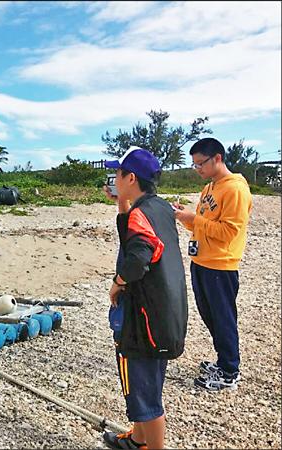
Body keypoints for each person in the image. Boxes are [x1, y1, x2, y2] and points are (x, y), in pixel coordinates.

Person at [101, 147, 188, 450]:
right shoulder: (159, 207)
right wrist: (122, 201)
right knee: (143, 383)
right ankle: (138, 439)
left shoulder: (142, 213)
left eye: (118, 173)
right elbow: (134, 236)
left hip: (145, 320)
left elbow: (137, 258)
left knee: (145, 393)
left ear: (131, 177)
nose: (114, 178)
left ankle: (153, 445)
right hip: (163, 312)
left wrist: (117, 282)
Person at [173, 137, 252, 391]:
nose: (198, 169)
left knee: (223, 318)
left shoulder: (235, 189)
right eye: (195, 165)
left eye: (201, 164)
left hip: (221, 265)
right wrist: (184, 217)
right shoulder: (209, 188)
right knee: (210, 316)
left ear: (217, 158)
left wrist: (193, 219)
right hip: (202, 261)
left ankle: (230, 371)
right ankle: (223, 361)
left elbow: (230, 231)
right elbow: (202, 224)